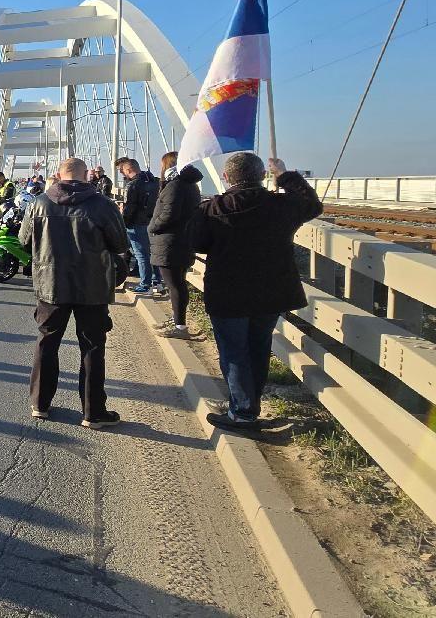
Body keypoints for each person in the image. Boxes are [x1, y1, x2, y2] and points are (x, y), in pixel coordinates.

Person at [189, 155, 322, 431]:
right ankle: (249, 404)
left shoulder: (211, 208)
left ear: (227, 178)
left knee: (234, 351)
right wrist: (285, 176)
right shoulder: (282, 204)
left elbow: (198, 243)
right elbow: (312, 205)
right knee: (259, 348)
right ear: (262, 175)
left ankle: (243, 412)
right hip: (271, 290)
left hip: (228, 290)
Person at [19, 158, 130, 429]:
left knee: (47, 342)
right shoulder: (103, 205)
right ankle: (93, 412)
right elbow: (119, 243)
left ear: (58, 175)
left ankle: (40, 404)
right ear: (87, 176)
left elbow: (24, 241)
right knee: (92, 346)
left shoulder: (39, 203)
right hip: (92, 286)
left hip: (51, 284)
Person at [149, 156, 204, 340]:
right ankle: (177, 320)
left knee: (175, 285)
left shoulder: (175, 185)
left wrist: (153, 226)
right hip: (182, 241)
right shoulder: (190, 185)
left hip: (170, 243)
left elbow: (169, 214)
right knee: (178, 283)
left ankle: (180, 326)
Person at [117, 158, 164, 296]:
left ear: (128, 170)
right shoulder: (155, 181)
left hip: (136, 223)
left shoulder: (132, 185)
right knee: (152, 253)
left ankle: (145, 284)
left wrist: (123, 221)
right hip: (152, 222)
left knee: (140, 254)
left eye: (123, 171)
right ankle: (157, 281)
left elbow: (130, 208)